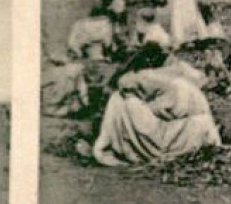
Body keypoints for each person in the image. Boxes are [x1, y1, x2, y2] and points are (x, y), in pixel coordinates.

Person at [91, 43, 222, 166]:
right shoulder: (174, 72)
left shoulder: (149, 76)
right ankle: (110, 143)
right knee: (122, 101)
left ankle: (110, 145)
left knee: (120, 101)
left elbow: (125, 83)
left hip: (178, 124)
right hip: (192, 120)